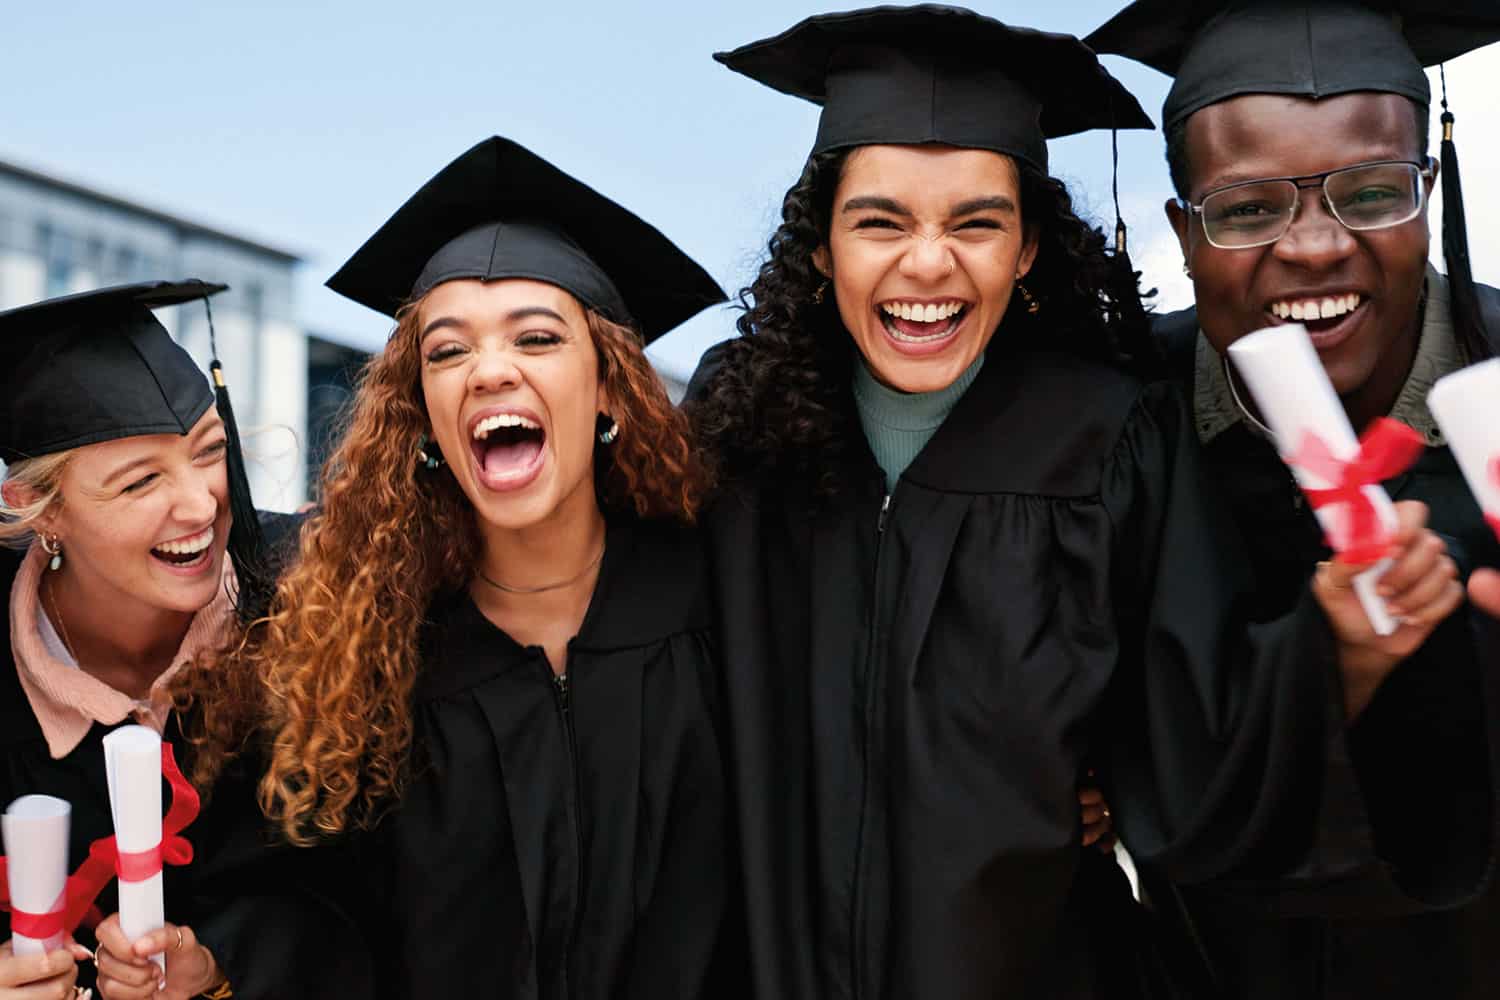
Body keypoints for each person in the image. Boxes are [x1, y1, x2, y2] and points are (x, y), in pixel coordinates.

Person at [687, 6, 1467, 998]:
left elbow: (1193, 735)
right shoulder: (738, 431)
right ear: (818, 245)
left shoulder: (1107, 441)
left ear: (1026, 250)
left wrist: (1326, 646)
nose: (928, 263)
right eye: (879, 220)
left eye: (978, 221)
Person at [192, 135, 742, 999]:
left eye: (537, 338)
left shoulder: (722, 612)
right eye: (447, 352)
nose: (489, 370)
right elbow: (289, 905)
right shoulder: (367, 656)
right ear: (421, 414)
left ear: (608, 388)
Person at [1088, 2, 1500, 995]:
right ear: (1185, 235)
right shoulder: (1113, 410)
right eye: (1247, 209)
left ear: (1430, 189)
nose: (1316, 247)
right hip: (1206, 961)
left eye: (1371, 192)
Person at [0, 282, 358, 1000]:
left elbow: (369, 895)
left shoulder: (313, 607)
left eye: (208, 452)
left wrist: (224, 969)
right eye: (139, 483)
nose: (200, 504)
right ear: (40, 511)